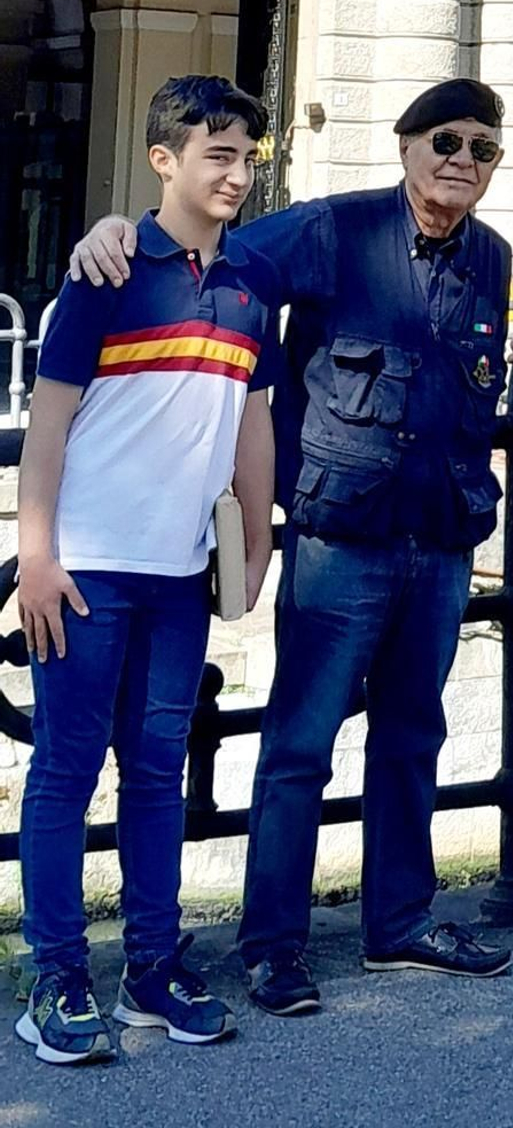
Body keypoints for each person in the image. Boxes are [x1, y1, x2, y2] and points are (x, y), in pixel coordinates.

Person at [67, 77, 513, 1015]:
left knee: (414, 737)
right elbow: (207, 250)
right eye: (445, 142)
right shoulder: (331, 231)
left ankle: (400, 924)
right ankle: (273, 946)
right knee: (301, 745)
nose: (462, 162)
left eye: (482, 148)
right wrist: (114, 231)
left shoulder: (493, 257)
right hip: (341, 540)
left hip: (440, 538)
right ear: (406, 146)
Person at [16, 77, 276, 1065]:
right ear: (164, 160)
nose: (237, 175)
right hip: (85, 570)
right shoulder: (105, 272)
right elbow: (48, 424)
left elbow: (252, 420)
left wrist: (256, 540)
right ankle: (55, 976)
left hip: (180, 573)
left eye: (247, 158)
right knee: (65, 773)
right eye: (218, 156)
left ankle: (152, 969)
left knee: (160, 775)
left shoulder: (253, 281)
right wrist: (35, 556)